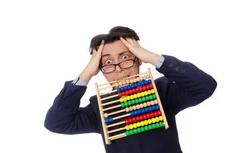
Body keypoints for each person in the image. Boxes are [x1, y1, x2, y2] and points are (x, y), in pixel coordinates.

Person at [43, 26, 217, 153]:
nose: (118, 68)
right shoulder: (100, 108)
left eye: (126, 57)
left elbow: (205, 86)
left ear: (139, 59)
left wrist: (153, 57)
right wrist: (87, 73)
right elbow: (56, 123)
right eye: (108, 63)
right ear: (100, 69)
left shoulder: (163, 91)